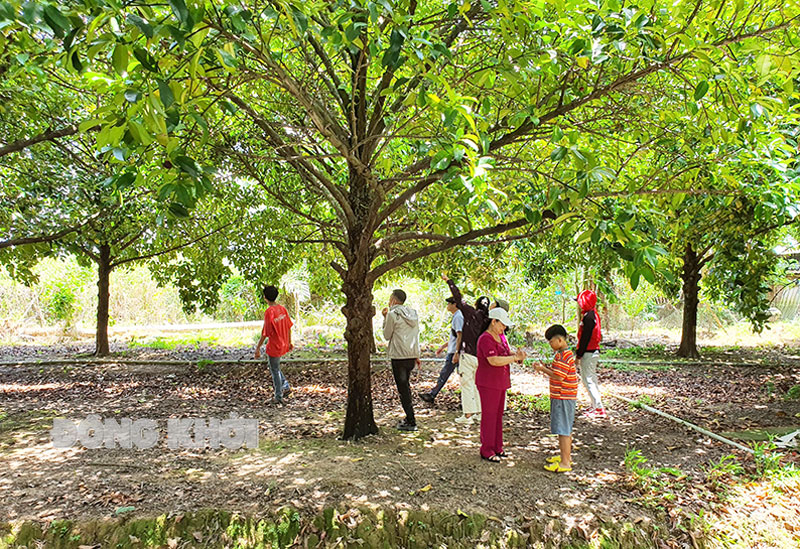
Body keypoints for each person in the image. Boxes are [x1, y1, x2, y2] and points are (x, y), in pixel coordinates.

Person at [476, 307, 526, 462]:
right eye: (502, 324)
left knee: (498, 416)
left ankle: (498, 447)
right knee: (489, 416)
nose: (504, 328)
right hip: (488, 382)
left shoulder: (501, 336)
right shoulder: (485, 339)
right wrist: (513, 359)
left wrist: (517, 356)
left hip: (500, 381)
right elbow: (494, 360)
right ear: (493, 321)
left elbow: (505, 354)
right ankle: (487, 449)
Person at [442, 274, 490, 424]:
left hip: (468, 354)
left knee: (467, 384)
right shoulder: (489, 320)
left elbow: (458, 297)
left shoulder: (470, 313)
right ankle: (479, 413)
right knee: (478, 384)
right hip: (481, 356)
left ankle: (468, 415)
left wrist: (449, 281)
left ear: (476, 304)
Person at [535, 324, 578, 472]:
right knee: (563, 428)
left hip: (563, 396)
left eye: (551, 341)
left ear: (560, 340)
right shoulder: (562, 355)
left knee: (563, 429)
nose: (550, 345)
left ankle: (565, 463)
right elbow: (558, 371)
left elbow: (559, 376)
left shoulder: (564, 355)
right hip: (562, 395)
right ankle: (565, 457)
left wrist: (542, 369)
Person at [382, 289, 421, 432]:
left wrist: (385, 317)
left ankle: (411, 420)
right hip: (410, 354)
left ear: (393, 299)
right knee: (406, 387)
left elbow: (387, 335)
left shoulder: (392, 314)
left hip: (398, 355)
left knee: (403, 389)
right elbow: (416, 334)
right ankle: (409, 417)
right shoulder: (413, 313)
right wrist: (417, 354)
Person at [420, 297, 463, 404]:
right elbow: (455, 337)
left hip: (455, 352)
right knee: (449, 374)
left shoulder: (458, 317)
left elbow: (460, 335)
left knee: (450, 374)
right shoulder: (457, 316)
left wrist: (457, 352)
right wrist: (443, 347)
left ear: (455, 304)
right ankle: (432, 394)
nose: (447, 305)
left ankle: (432, 394)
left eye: (449, 303)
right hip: (454, 350)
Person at [255, 285, 293, 405]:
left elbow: (265, 332)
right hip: (282, 343)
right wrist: (289, 341)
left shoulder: (269, 312)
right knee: (275, 367)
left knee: (274, 370)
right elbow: (289, 327)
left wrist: (257, 348)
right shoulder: (282, 309)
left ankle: (278, 396)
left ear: (265, 297)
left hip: (274, 345)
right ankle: (285, 386)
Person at [576, 289, 607, 418]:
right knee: (591, 379)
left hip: (589, 352)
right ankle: (595, 405)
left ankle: (599, 408)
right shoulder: (592, 314)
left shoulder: (589, 317)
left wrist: (579, 354)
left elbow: (585, 338)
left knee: (588, 380)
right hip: (592, 351)